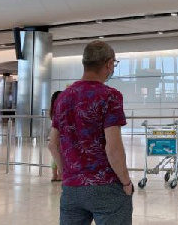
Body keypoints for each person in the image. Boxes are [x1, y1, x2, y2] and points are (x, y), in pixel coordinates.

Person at [48, 40, 133, 224]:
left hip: (72, 188)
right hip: (106, 187)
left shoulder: (63, 97)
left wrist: (67, 173)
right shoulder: (110, 96)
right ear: (109, 64)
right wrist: (126, 182)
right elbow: (113, 148)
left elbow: (52, 144)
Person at [49, 90, 63, 182]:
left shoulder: (52, 110)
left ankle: (54, 175)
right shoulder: (61, 108)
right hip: (60, 135)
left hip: (53, 135)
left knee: (55, 155)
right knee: (60, 155)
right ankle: (60, 174)